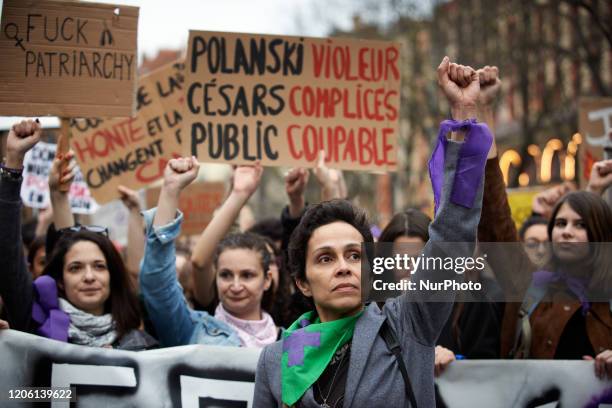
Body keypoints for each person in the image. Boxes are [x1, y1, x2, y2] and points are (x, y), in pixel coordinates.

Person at [253, 57, 492, 407]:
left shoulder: (408, 323)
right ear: (303, 282)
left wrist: (464, 111)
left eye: (354, 255)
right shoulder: (275, 361)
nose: (344, 266)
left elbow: (451, 236)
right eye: (325, 258)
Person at [0, 120, 155, 350]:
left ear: (113, 274)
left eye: (99, 266)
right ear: (60, 281)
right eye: (75, 268)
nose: (89, 276)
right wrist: (13, 161)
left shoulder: (140, 345)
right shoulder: (36, 326)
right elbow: (8, 253)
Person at [140, 159, 278, 348]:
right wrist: (170, 190)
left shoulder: (291, 342)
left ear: (267, 280)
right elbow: (158, 285)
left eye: (247, 275)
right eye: (226, 275)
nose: (235, 286)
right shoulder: (192, 330)